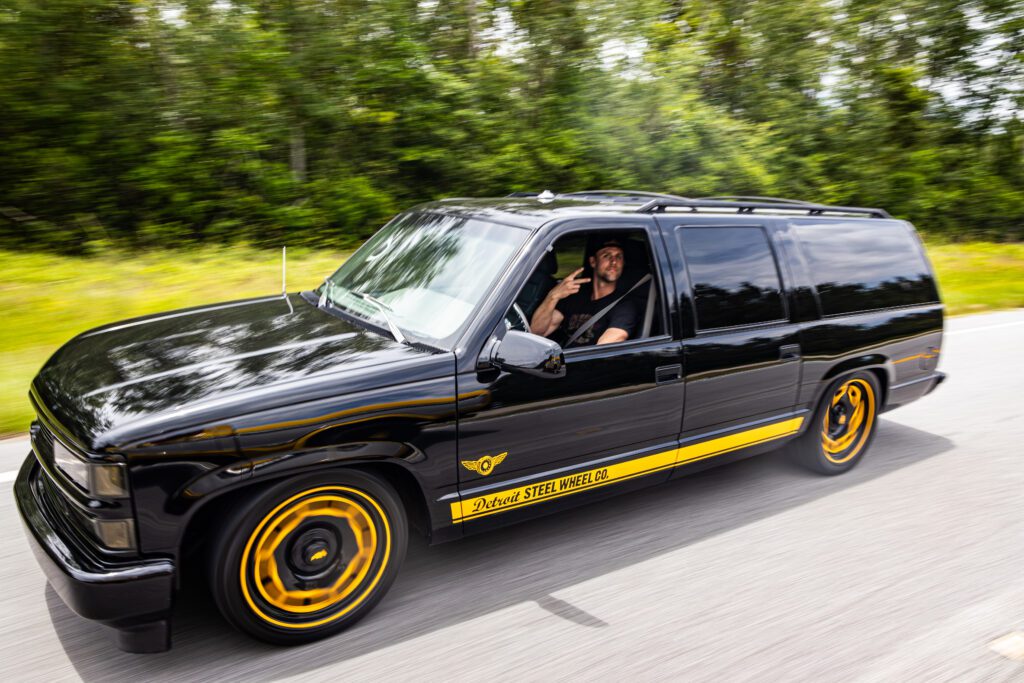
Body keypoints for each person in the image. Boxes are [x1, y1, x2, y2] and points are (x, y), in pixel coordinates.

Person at [530, 236, 640, 346]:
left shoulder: (624, 306)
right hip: (559, 359)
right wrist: (553, 296)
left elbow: (603, 351)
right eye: (607, 256)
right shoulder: (575, 295)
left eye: (619, 256)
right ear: (593, 262)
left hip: (583, 362)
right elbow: (537, 332)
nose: (614, 262)